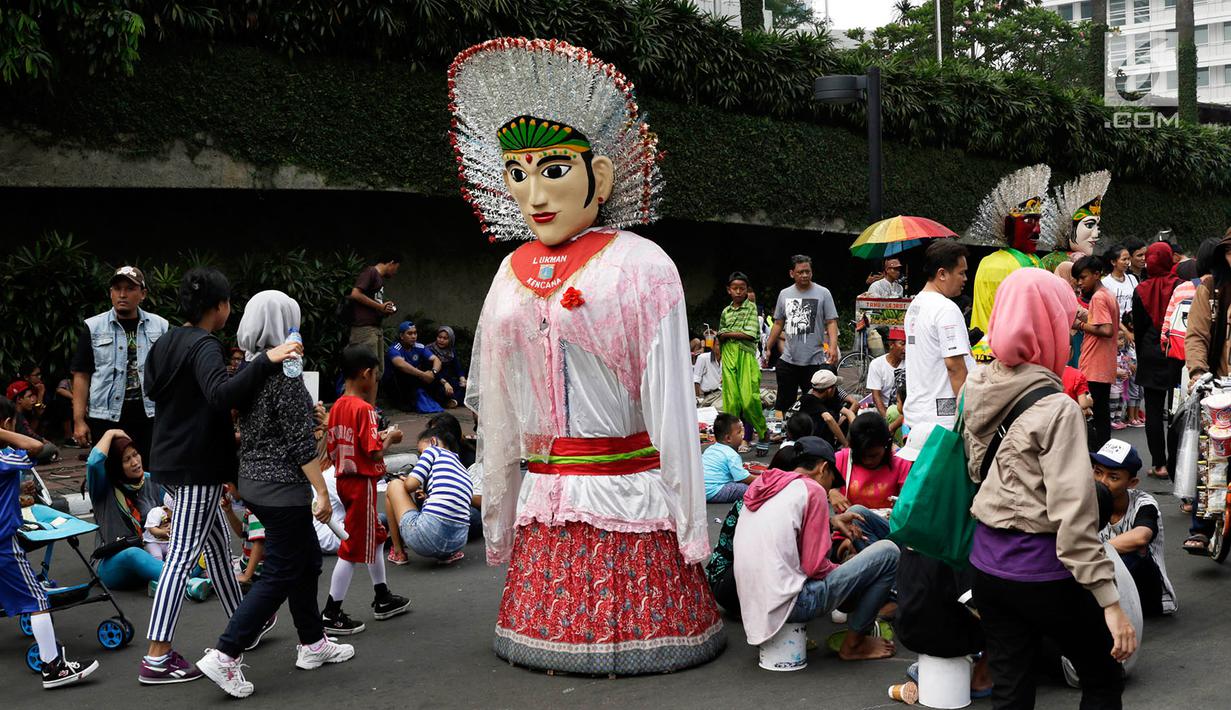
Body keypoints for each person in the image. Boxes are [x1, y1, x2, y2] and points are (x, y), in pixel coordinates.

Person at [453, 37, 724, 674]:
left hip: (624, 470)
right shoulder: (510, 272)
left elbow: (671, 399)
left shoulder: (641, 264)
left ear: (599, 177)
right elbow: (495, 393)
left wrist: (687, 518)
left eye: (553, 170)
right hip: (550, 480)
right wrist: (501, 497)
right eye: (516, 174)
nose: (533, 194)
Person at [962, 268, 1136, 709]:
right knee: (1101, 676)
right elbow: (1073, 515)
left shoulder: (978, 383)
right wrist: (1110, 602)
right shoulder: (1057, 407)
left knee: (1011, 688)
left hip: (986, 566)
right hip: (1043, 572)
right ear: (1050, 324)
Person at [139, 268, 300, 685]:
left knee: (214, 543)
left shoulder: (164, 342)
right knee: (181, 556)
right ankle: (157, 655)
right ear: (220, 307)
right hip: (197, 465)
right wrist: (266, 361)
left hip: (169, 460)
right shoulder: (205, 345)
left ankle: (243, 621)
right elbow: (220, 395)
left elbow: (153, 391)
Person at [196, 290, 353, 698]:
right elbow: (300, 444)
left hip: (256, 481)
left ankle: (313, 643)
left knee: (305, 562)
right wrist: (321, 491)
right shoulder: (284, 372)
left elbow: (270, 426)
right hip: (282, 487)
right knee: (283, 569)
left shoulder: (250, 368)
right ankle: (226, 653)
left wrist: (309, 416)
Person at [734, 436, 898, 660]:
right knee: (888, 552)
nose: (830, 489)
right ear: (823, 468)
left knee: (857, 567)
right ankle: (854, 645)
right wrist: (853, 573)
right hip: (792, 604)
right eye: (831, 480)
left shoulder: (769, 485)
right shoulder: (813, 490)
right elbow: (815, 567)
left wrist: (831, 524)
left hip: (753, 605)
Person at [0, 403, 100, 689]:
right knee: (38, 600)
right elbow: (38, 447)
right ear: (7, 423)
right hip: (4, 545)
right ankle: (53, 667)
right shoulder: (5, 456)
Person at [323, 344, 411, 636]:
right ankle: (331, 611)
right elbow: (373, 453)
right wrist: (391, 438)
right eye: (375, 375)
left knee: (375, 537)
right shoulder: (365, 409)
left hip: (344, 479)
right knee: (352, 547)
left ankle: (382, 595)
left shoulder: (337, 407)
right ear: (366, 374)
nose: (375, 381)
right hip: (363, 482)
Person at [71, 266, 169, 462]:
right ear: (110, 293)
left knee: (148, 473)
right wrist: (79, 421)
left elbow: (169, 374)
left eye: (130, 289)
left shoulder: (161, 326)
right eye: (117, 288)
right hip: (106, 416)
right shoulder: (93, 326)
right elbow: (81, 375)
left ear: (143, 294)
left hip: (148, 415)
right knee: (109, 472)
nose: (122, 294)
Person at [901, 240, 973, 461]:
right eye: (961, 273)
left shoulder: (915, 306)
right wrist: (968, 415)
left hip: (917, 417)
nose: (965, 279)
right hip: (943, 423)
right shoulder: (945, 309)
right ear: (942, 273)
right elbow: (955, 367)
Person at [1091, 439, 1177, 617]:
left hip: (1147, 595)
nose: (1102, 481)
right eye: (1098, 473)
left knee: (1137, 550)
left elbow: (1141, 537)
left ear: (1132, 482)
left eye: (1113, 477)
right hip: (1102, 584)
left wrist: (1090, 552)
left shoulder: (1144, 503)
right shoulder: (1087, 500)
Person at [967, 164, 1049, 333]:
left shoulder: (1035, 260)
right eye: (1029, 221)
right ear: (1008, 225)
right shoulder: (996, 264)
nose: (1037, 229)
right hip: (995, 347)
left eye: (1038, 221)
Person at [86, 428, 166, 590]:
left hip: (155, 552)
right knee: (133, 554)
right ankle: (187, 581)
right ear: (115, 466)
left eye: (136, 454)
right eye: (126, 459)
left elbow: (173, 511)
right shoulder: (103, 489)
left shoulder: (153, 481)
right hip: (113, 562)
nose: (135, 462)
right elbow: (94, 463)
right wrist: (110, 433)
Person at [766, 255, 840, 418]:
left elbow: (831, 322)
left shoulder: (823, 293)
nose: (805, 275)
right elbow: (778, 323)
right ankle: (784, 433)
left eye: (808, 271)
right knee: (784, 402)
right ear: (792, 273)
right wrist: (768, 346)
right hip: (789, 360)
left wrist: (833, 347)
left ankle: (814, 433)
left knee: (814, 402)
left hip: (815, 360)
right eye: (801, 272)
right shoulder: (784, 294)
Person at [1132, 241, 1183, 479]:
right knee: (1177, 410)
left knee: (1153, 410)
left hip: (1151, 352)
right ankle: (1177, 463)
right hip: (1176, 353)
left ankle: (1159, 464)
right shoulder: (1181, 286)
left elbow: (1140, 327)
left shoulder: (1140, 289)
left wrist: (1142, 350)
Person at [385, 427, 473, 563]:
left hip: (427, 537)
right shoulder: (462, 468)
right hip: (457, 543)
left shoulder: (433, 450)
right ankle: (448, 555)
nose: (421, 457)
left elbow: (409, 486)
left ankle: (398, 552)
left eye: (421, 453)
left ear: (433, 441)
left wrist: (406, 480)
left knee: (394, 485)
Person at [830, 413, 911, 549]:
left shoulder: (901, 464)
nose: (868, 461)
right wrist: (831, 491)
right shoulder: (841, 459)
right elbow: (810, 483)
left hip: (888, 531)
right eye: (862, 455)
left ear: (886, 446)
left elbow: (908, 507)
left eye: (873, 455)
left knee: (858, 513)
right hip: (849, 533)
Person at [717, 272, 767, 443]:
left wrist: (727, 333)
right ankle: (732, 440)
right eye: (735, 288)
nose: (738, 291)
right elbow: (720, 335)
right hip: (729, 355)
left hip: (745, 355)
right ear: (728, 290)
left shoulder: (751, 308)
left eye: (742, 288)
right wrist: (726, 335)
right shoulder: (726, 312)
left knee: (748, 400)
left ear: (747, 290)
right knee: (731, 403)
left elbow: (751, 334)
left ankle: (763, 431)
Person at [1075, 255, 1118, 449]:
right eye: (1078, 278)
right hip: (1103, 363)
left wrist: (1080, 325)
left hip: (1094, 365)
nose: (1080, 282)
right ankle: (1104, 455)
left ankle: (1097, 457)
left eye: (1083, 277)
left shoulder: (1099, 297)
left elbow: (1107, 330)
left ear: (1096, 274)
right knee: (1102, 414)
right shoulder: (1107, 293)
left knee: (1093, 413)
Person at [1039, 170, 1110, 273]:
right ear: (1070, 228)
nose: (1095, 235)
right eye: (1089, 225)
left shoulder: (1092, 263)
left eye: (1096, 226)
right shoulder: (1052, 262)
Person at [346, 252, 401, 380]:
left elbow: (373, 305)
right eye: (396, 268)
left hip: (375, 329)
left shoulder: (379, 279)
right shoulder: (371, 272)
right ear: (391, 263)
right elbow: (355, 294)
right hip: (364, 329)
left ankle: (370, 401)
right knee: (365, 370)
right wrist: (379, 306)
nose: (395, 272)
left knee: (376, 373)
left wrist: (384, 310)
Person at [384, 321, 446, 413]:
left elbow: (436, 360)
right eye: (410, 333)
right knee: (405, 373)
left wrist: (433, 372)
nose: (413, 336)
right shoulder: (395, 348)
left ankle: (438, 399)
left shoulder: (419, 346)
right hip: (397, 384)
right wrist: (423, 375)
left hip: (415, 379)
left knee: (432, 369)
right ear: (401, 336)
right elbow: (400, 365)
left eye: (415, 333)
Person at [703, 413, 757, 503]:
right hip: (716, 491)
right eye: (739, 432)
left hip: (701, 491)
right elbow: (744, 478)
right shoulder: (731, 455)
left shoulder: (710, 449)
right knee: (746, 488)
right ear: (728, 438)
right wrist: (762, 479)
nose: (742, 435)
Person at [797, 369, 855, 449]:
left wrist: (854, 435)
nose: (836, 389)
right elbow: (828, 419)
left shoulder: (826, 399)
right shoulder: (807, 399)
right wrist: (845, 444)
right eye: (835, 387)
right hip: (805, 443)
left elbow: (849, 413)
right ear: (829, 390)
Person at [5, 380, 57, 463]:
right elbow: (29, 435)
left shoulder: (23, 413)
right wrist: (43, 441)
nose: (33, 400)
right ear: (19, 399)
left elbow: (29, 431)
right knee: (51, 448)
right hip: (16, 451)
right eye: (29, 397)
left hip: (24, 447)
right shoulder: (15, 414)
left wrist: (37, 415)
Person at [866, 326, 905, 418]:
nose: (905, 348)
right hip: (886, 409)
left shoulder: (911, 363)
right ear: (891, 344)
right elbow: (876, 396)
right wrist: (887, 419)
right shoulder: (876, 364)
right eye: (902, 344)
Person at [428, 325, 467, 407]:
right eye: (439, 337)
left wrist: (462, 378)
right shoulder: (429, 349)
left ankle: (454, 401)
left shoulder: (451, 351)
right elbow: (432, 370)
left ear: (450, 340)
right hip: (436, 379)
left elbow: (457, 367)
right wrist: (445, 383)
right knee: (442, 391)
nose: (441, 340)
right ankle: (455, 400)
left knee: (465, 387)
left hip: (448, 379)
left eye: (445, 338)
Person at [1101, 243, 1139, 319]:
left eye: (1128, 259)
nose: (1127, 262)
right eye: (1124, 259)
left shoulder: (1132, 279)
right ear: (1113, 262)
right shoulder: (1105, 283)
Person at [1110, 332, 1135, 431]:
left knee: (1121, 402)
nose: (1122, 342)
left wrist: (1128, 373)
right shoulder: (1111, 355)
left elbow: (1127, 366)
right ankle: (1111, 419)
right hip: (1113, 384)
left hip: (1122, 385)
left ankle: (1117, 419)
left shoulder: (1123, 355)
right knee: (1113, 403)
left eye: (1123, 340)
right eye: (1119, 339)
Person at [693, 345, 723, 410]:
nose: (721, 347)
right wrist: (697, 398)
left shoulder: (724, 359)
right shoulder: (703, 358)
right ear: (712, 346)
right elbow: (696, 379)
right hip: (706, 396)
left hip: (719, 393)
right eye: (718, 345)